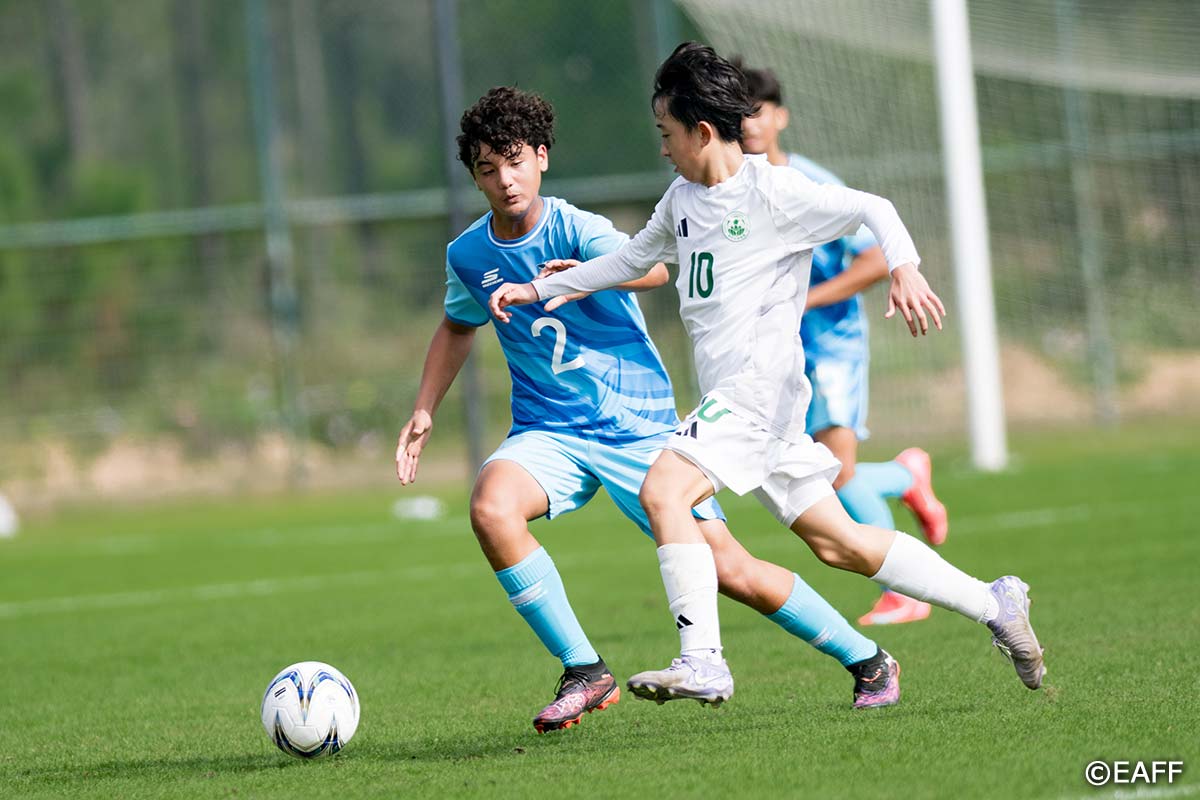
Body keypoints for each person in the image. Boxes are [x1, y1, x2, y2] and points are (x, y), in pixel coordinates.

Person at [490, 43, 1046, 707]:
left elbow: (874, 208)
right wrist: (545, 288)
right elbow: (634, 259)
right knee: (840, 544)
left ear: (701, 131)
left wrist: (904, 267)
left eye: (667, 133)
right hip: (754, 407)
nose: (662, 149)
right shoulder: (682, 199)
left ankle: (703, 661)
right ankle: (993, 602)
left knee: (665, 490)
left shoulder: (775, 192)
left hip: (755, 393)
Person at [396, 86, 903, 734]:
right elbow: (456, 325)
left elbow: (656, 270)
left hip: (637, 428)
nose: (506, 180)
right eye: (488, 169)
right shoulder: (468, 255)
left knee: (731, 570)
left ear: (542, 157)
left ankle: (867, 659)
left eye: (516, 162)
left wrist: (581, 272)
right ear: (474, 177)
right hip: (548, 430)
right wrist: (425, 409)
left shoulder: (576, 227)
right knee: (491, 508)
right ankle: (584, 670)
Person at [737, 60, 947, 626]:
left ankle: (905, 591)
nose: (748, 123)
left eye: (757, 111)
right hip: (781, 355)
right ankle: (906, 476)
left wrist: (803, 301)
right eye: (738, 114)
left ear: (781, 117)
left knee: (834, 470)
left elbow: (876, 259)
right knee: (821, 471)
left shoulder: (810, 183)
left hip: (832, 346)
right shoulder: (737, 191)